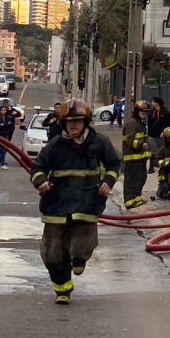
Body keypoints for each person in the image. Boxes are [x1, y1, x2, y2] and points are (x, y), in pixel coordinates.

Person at [30, 99, 120, 305]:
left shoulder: (99, 142)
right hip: (57, 203)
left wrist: (108, 181)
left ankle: (79, 259)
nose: (73, 125)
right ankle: (63, 288)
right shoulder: (55, 145)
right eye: (69, 121)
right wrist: (41, 182)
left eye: (78, 121)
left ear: (86, 122)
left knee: (82, 245)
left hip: (86, 201)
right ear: (63, 123)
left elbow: (114, 163)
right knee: (52, 253)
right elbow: (38, 167)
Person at [121, 100, 150, 209]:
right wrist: (141, 145)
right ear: (137, 111)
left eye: (146, 112)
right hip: (132, 157)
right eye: (143, 111)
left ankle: (137, 197)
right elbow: (129, 139)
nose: (145, 114)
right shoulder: (132, 123)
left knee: (141, 177)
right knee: (131, 180)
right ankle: (129, 201)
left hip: (140, 157)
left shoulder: (141, 124)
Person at [146, 97, 170, 174]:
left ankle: (164, 167)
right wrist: (149, 134)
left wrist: (164, 132)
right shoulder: (151, 113)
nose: (152, 103)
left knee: (162, 152)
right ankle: (151, 167)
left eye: (153, 102)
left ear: (158, 102)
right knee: (152, 152)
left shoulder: (165, 112)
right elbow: (149, 124)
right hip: (152, 135)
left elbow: (169, 124)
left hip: (161, 136)